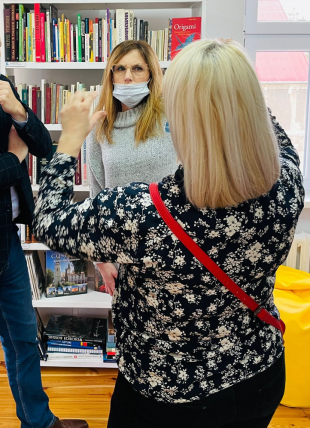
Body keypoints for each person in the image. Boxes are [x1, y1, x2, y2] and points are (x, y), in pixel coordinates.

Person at [31, 38, 304, 428]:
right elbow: (271, 130)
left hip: (165, 395)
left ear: (180, 123)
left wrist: (69, 139)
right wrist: (230, 75)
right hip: (258, 375)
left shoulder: (143, 213)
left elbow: (49, 221)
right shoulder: (288, 187)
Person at [0, 8, 88, 428]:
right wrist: (13, 159)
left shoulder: (0, 86)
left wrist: (19, 110)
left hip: (8, 241)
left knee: (23, 341)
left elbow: (42, 146)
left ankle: (39, 422)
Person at [87, 41, 177, 295]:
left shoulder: (169, 114)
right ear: (111, 74)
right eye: (120, 69)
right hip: (119, 251)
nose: (128, 77)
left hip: (169, 249)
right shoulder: (100, 121)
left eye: (138, 68)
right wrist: (100, 260)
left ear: (151, 74)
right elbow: (96, 195)